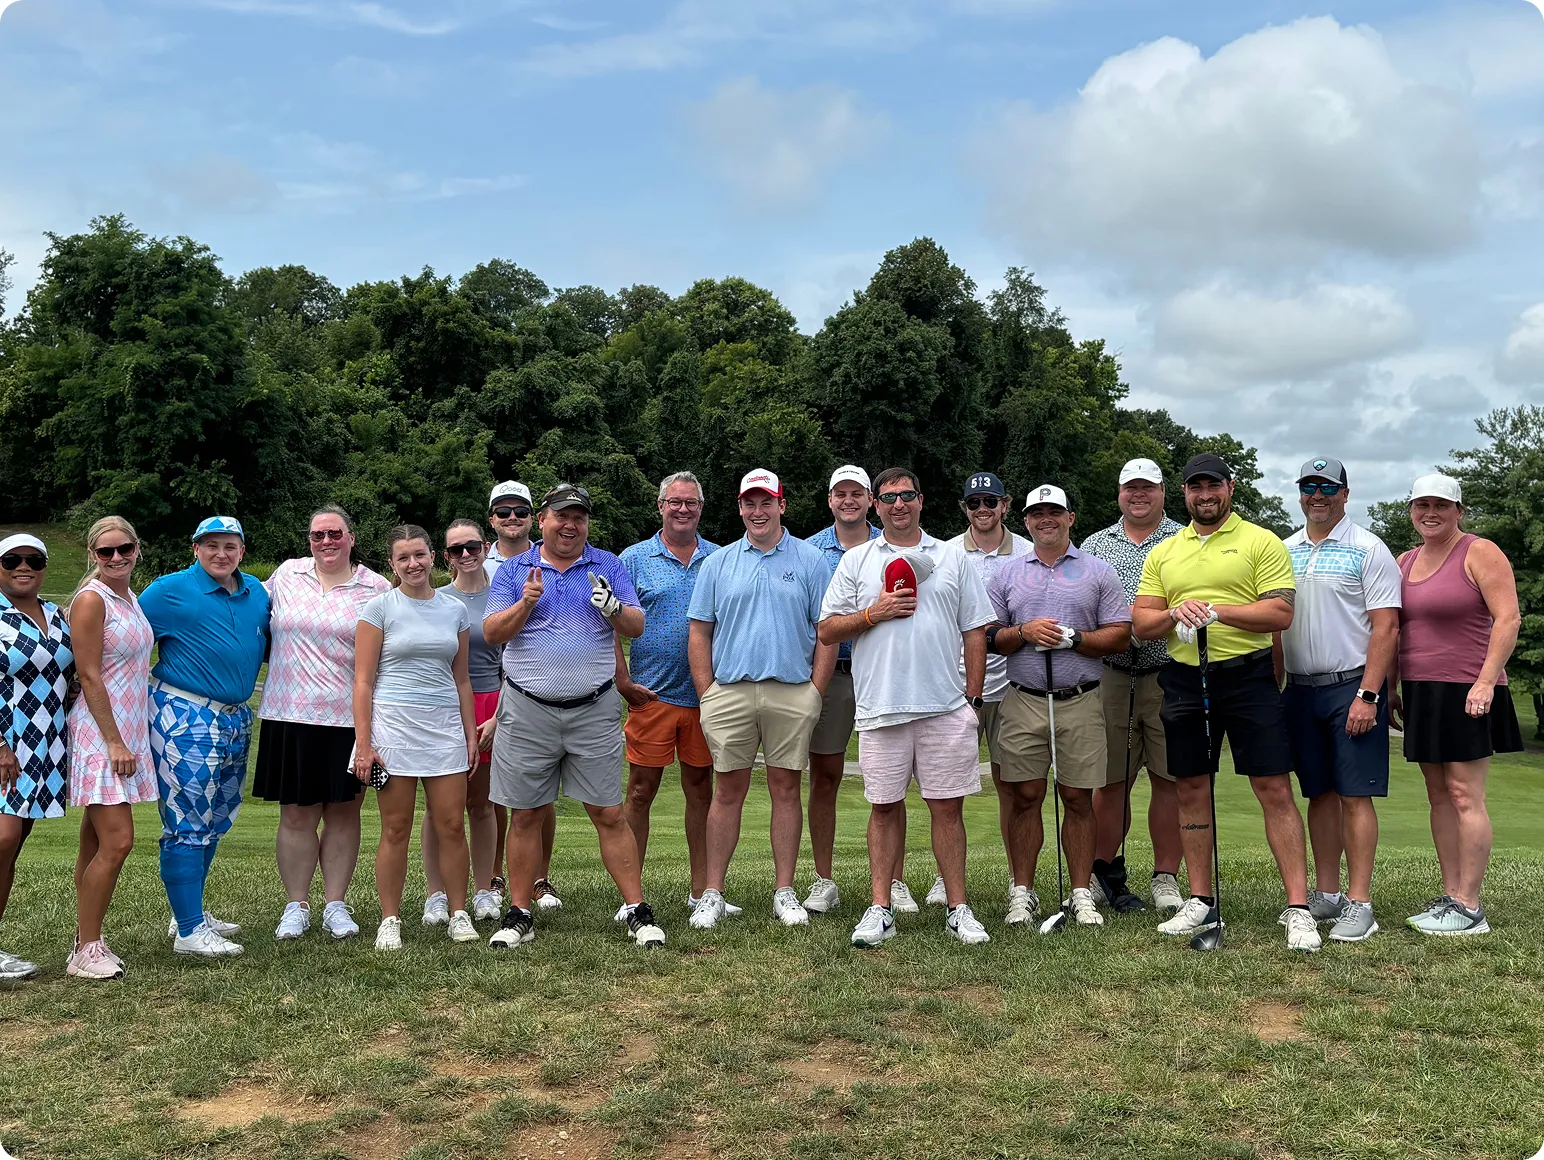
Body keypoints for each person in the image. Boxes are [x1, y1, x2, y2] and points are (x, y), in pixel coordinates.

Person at [1132, 455, 1318, 952]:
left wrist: (1217, 611)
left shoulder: (1260, 541)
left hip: (1248, 677)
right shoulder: (1165, 551)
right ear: (1185, 494)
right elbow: (1142, 623)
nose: (1205, 494)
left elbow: (1280, 611)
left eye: (1213, 485)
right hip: (1185, 678)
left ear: (1229, 489)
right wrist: (1176, 612)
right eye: (1196, 487)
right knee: (1190, 787)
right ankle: (1200, 897)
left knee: (1272, 787)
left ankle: (1298, 908)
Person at [818, 467, 997, 948]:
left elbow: (975, 629)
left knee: (947, 810)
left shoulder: (953, 557)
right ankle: (880, 908)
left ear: (922, 500)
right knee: (883, 808)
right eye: (889, 497)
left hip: (944, 705)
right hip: (881, 706)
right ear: (876, 506)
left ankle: (959, 908)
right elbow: (828, 630)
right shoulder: (857, 560)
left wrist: (973, 698)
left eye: (907, 496)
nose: (899, 504)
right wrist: (872, 613)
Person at [482, 483, 665, 949]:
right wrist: (525, 603)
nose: (570, 525)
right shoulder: (515, 569)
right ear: (542, 520)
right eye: (561, 516)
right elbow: (490, 632)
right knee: (524, 814)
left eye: (579, 517)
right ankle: (519, 912)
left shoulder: (608, 564)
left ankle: (637, 911)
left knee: (608, 810)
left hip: (593, 707)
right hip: (527, 707)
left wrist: (614, 608)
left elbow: (636, 625)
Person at [687, 468, 837, 930]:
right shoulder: (717, 563)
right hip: (729, 691)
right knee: (727, 791)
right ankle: (712, 893)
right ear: (739, 508)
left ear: (781, 506)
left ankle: (785, 891)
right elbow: (699, 632)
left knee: (786, 789)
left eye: (766, 502)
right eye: (749, 503)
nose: (758, 511)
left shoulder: (812, 560)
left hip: (792, 691)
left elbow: (827, 633)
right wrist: (707, 691)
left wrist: (816, 691)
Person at [987, 484, 1132, 927]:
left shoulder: (1098, 572)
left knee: (1078, 798)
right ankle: (1022, 893)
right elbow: (991, 636)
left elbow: (1121, 633)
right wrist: (1024, 633)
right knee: (1025, 797)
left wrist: (1078, 639)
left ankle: (1081, 893)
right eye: (1036, 514)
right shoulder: (1007, 573)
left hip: (1081, 698)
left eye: (1054, 512)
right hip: (1024, 699)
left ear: (1071, 517)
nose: (1045, 519)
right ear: (1026, 521)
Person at [1274, 458, 1401, 943]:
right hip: (1300, 690)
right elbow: (1276, 631)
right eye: (1309, 487)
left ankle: (1360, 901)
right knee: (1319, 793)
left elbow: (1386, 626)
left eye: (1327, 487)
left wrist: (1370, 694)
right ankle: (1325, 893)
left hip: (1353, 686)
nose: (1317, 495)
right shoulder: (1283, 549)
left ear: (1345, 494)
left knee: (1354, 793)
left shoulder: (1369, 548)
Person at [1392, 474, 1521, 936]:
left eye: (1441, 505)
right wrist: (1391, 687)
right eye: (1422, 504)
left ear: (1459, 510)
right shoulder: (1404, 560)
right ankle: (1451, 897)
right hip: (1421, 690)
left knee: (1466, 794)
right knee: (1438, 794)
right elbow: (1394, 629)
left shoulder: (1479, 551)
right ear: (1411, 510)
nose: (1431, 512)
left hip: (1469, 687)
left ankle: (1470, 906)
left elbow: (1508, 618)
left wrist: (1486, 682)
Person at [254, 505, 390, 943]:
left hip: (349, 719)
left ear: (351, 537)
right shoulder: (286, 576)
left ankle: (335, 904)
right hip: (288, 714)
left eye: (335, 534)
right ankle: (296, 905)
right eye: (317, 535)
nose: (326, 542)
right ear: (308, 541)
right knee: (296, 815)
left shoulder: (376, 587)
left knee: (344, 814)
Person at [141, 517, 271, 958]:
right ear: (195, 548)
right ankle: (189, 931)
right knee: (187, 821)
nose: (221, 553)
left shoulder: (256, 591)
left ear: (242, 549)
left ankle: (189, 912)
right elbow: (124, 637)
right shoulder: (168, 590)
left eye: (230, 546)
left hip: (235, 717)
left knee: (217, 817)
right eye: (211, 545)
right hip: (184, 712)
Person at [353, 524, 479, 950]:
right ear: (391, 564)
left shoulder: (453, 610)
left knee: (450, 825)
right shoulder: (378, 609)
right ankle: (390, 919)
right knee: (395, 827)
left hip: (444, 731)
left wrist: (468, 736)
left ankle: (458, 912)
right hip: (394, 732)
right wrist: (365, 743)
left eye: (420, 555)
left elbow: (461, 680)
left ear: (433, 557)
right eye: (403, 557)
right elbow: (363, 683)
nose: (413, 564)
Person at [1079, 459, 1186, 914]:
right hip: (1112, 674)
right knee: (1111, 782)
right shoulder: (1095, 544)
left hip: (1168, 673)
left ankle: (1166, 877)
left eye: (1147, 487)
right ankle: (1105, 870)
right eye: (1130, 488)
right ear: (1119, 493)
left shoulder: (1185, 540)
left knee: (1170, 781)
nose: (1138, 495)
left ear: (1163, 491)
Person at [617, 472, 726, 911]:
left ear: (702, 508)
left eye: (692, 503)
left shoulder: (721, 558)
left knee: (701, 790)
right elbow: (607, 626)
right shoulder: (633, 559)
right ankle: (632, 896)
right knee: (640, 792)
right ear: (660, 506)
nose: (683, 509)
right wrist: (622, 680)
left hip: (707, 696)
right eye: (675, 502)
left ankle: (701, 893)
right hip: (652, 695)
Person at [65, 518, 154, 980]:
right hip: (101, 735)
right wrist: (115, 739)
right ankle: (88, 949)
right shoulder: (91, 600)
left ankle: (84, 937)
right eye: (106, 552)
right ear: (93, 555)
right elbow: (89, 675)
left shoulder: (130, 599)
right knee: (118, 842)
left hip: (127, 731)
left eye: (124, 549)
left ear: (137, 549)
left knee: (94, 840)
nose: (116, 558)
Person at [939, 470, 1032, 911]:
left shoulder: (1030, 553)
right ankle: (945, 878)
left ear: (1005, 505)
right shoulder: (945, 553)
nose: (982, 511)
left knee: (1012, 787)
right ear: (965, 509)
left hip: (1012, 687)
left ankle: (1019, 885)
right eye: (974, 504)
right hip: (956, 688)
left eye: (990, 502)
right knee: (948, 787)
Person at [804, 465, 884, 915]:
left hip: (882, 671)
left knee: (889, 780)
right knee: (826, 776)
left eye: (857, 493)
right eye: (841, 493)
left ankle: (894, 881)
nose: (848, 500)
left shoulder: (888, 544)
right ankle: (823, 878)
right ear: (830, 500)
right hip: (833, 675)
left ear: (870, 499)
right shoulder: (811, 551)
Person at [422, 520, 508, 925]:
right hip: (444, 706)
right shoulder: (436, 599)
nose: (466, 555)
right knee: (440, 807)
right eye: (456, 550)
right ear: (446, 557)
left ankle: (485, 890)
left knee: (483, 804)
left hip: (494, 702)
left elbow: (519, 662)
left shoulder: (502, 595)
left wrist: (497, 717)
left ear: (485, 545)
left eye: (472, 546)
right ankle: (436, 894)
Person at [481, 481, 561, 910]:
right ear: (492, 518)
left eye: (520, 512)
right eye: (503, 512)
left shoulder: (552, 555)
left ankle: (540, 879)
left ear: (534, 516)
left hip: (538, 685)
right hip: (492, 682)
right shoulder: (481, 562)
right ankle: (496, 874)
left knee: (539, 792)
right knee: (500, 791)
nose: (512, 519)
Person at [0, 534, 74, 980]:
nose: (23, 566)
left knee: (13, 847)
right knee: (3, 840)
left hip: (46, 743)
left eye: (33, 560)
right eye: (11, 560)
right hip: (7, 743)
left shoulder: (55, 614)